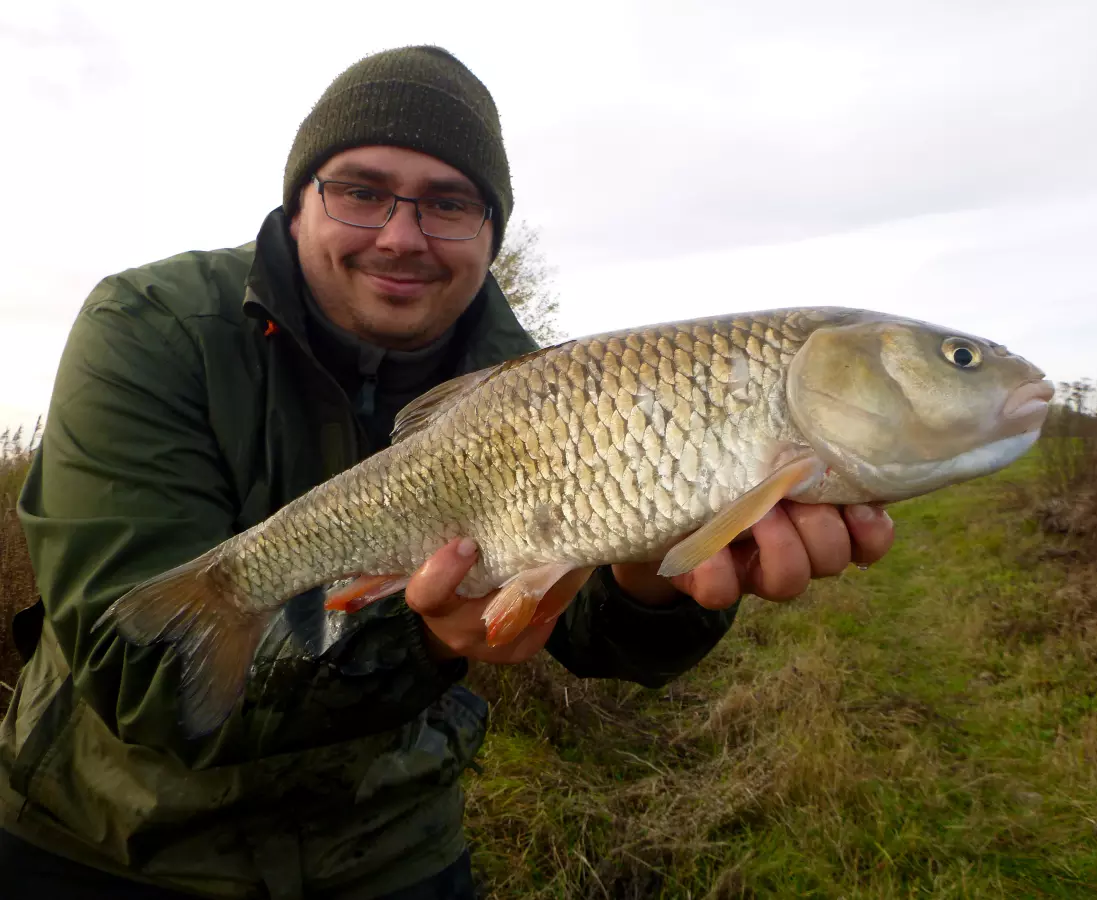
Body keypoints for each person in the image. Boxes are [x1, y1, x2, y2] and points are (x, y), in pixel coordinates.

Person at [0, 46, 894, 899]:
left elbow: (598, 639)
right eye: (360, 192)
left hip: (388, 844)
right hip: (98, 845)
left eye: (449, 204)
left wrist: (651, 579)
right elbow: (136, 680)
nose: (402, 236)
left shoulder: (540, 383)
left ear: (491, 232)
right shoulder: (150, 324)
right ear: (298, 202)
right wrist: (422, 637)